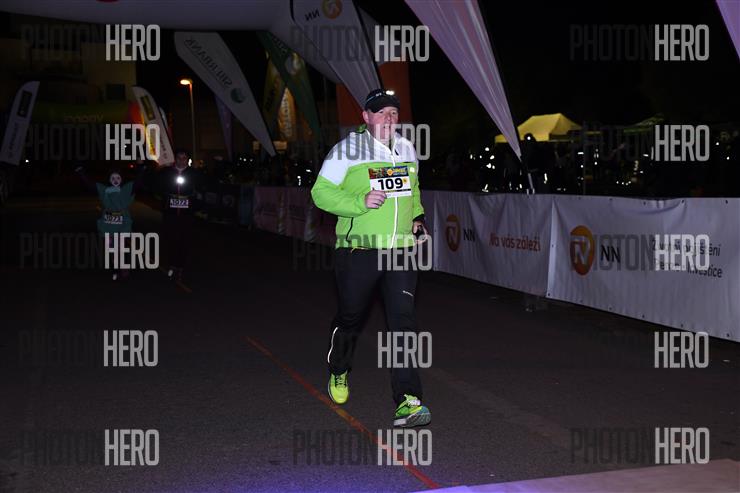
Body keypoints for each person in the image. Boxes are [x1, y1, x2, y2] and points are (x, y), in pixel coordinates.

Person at [311, 89, 431, 428]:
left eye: (393, 112)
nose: (389, 118)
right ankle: (339, 368)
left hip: (401, 251)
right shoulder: (346, 150)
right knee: (351, 317)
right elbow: (320, 193)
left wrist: (417, 216)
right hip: (359, 250)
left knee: (403, 323)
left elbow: (413, 189)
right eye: (381, 112)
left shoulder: (406, 148)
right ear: (366, 117)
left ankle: (408, 400)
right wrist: (359, 203)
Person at [75, 164, 145, 280]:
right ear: (109, 179)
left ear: (121, 179)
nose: (115, 180)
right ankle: (115, 270)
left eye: (118, 178)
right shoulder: (104, 190)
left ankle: (123, 267)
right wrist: (80, 172)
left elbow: (137, 183)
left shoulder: (126, 189)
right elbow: (90, 185)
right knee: (111, 249)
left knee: (122, 248)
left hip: (122, 225)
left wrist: (141, 169)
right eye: (112, 178)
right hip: (108, 225)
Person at [156, 149, 200, 282]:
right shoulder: (167, 172)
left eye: (184, 158)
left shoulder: (193, 173)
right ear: (175, 159)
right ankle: (172, 264)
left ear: (188, 159)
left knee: (184, 240)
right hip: (170, 213)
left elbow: (205, 185)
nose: (181, 160)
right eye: (179, 158)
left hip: (186, 215)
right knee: (171, 239)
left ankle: (180, 266)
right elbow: (155, 184)